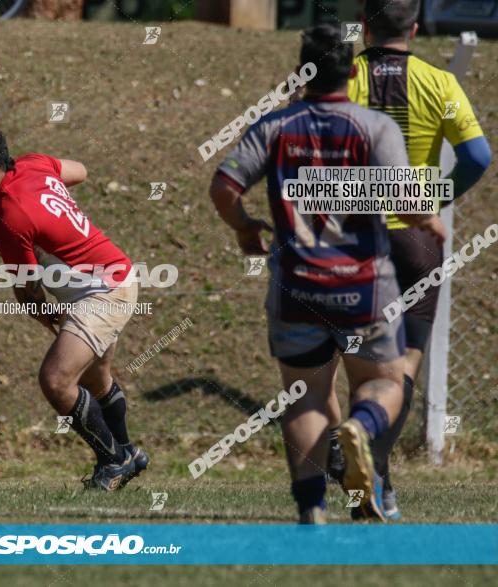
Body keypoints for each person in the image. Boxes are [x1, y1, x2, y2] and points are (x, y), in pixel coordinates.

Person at [208, 23, 445, 523]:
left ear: (303, 72)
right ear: (354, 71)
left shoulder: (274, 126)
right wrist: (428, 218)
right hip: (364, 288)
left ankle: (311, 508)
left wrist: (244, 227)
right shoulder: (374, 127)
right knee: (382, 382)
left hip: (296, 287)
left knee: (305, 398)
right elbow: (403, 195)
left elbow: (224, 186)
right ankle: (361, 425)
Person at [322, 0, 492, 520]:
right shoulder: (439, 83)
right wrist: (434, 198)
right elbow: (478, 157)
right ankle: (374, 477)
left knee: (361, 374)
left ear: (364, 24)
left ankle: (370, 478)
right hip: (416, 242)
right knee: (402, 372)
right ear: (415, 28)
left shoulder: (342, 77)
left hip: (352, 238)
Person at [0, 124, 147, 491]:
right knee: (95, 380)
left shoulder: (8, 217)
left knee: (56, 380)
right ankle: (128, 453)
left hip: (103, 292)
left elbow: (27, 286)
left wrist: (47, 318)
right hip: (116, 275)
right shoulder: (34, 163)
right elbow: (80, 170)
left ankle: (113, 462)